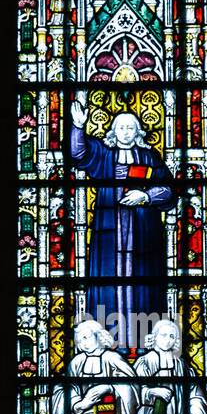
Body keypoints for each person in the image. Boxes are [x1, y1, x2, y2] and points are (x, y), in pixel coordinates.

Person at [69, 98, 177, 339]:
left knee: (143, 283)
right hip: (109, 232)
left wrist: (146, 196)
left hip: (143, 232)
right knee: (109, 281)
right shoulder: (104, 154)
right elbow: (79, 153)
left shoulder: (149, 157)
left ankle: (144, 342)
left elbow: (169, 190)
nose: (126, 132)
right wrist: (78, 126)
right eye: (121, 127)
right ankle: (107, 342)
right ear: (113, 131)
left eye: (130, 128)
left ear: (138, 131)